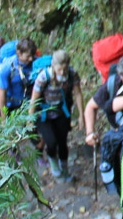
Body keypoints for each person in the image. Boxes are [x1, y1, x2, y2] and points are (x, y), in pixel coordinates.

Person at [30, 50, 85, 182]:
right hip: (44, 115)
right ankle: (55, 169)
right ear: (53, 65)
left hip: (61, 112)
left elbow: (78, 93)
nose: (62, 72)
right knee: (51, 142)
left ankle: (65, 171)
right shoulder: (44, 77)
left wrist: (81, 116)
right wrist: (30, 120)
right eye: (59, 69)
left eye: (64, 69)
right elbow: (34, 99)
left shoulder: (72, 74)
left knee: (62, 142)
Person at [0, 37, 37, 115]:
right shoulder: (7, 68)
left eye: (32, 55)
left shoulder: (36, 63)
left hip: (28, 105)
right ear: (19, 53)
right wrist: (4, 119)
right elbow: (2, 94)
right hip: (11, 107)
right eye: (28, 56)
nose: (31, 59)